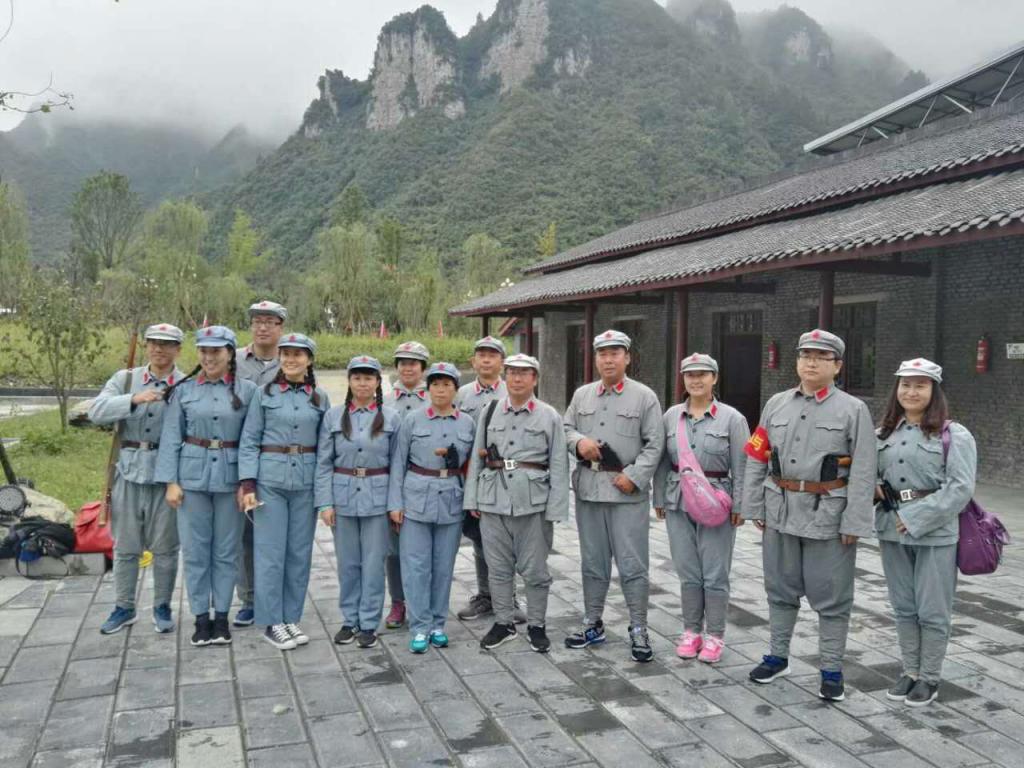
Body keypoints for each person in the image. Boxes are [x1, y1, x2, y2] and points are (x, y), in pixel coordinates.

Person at [742, 329, 876, 702]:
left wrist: (855, 520)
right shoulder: (776, 404)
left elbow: (865, 469)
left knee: (831, 597)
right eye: (805, 356)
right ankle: (777, 656)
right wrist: (753, 505)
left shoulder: (853, 410)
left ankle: (831, 670)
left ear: (837, 366)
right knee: (779, 589)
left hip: (827, 516)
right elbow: (756, 455)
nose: (811, 363)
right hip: (780, 509)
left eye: (821, 357)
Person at [876, 358, 976, 707]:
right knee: (903, 606)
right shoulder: (883, 434)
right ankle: (910, 671)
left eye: (920, 385)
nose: (911, 392)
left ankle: (929, 677)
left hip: (935, 532)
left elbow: (960, 488)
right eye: (905, 385)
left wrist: (916, 517)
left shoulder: (954, 435)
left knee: (933, 609)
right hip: (891, 529)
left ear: (934, 391)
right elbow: (869, 475)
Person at [563, 330, 665, 662]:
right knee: (593, 564)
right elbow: (565, 428)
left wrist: (635, 477)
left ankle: (639, 628)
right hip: (590, 491)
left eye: (615, 353)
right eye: (602, 354)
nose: (608, 360)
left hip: (626, 494)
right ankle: (592, 622)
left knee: (633, 565)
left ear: (627, 357)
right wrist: (578, 442)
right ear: (595, 358)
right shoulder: (582, 396)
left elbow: (655, 444)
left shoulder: (644, 397)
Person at [156, 326, 257, 647]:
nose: (209, 357)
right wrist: (171, 482)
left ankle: (222, 616)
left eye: (216, 351)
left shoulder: (248, 391)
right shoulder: (183, 391)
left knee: (227, 551)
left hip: (230, 480)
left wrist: (246, 483)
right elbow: (171, 437)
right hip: (191, 480)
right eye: (204, 350)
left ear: (230, 353)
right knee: (195, 551)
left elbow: (251, 440)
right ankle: (201, 618)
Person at [463, 354, 570, 653]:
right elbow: (477, 457)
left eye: (524, 373)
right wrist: (472, 498)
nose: (517, 378)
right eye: (512, 372)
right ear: (506, 376)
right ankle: (504, 623)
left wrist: (556, 508)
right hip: (492, 499)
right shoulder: (490, 410)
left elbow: (559, 463)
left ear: (535, 379)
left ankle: (536, 625)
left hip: (532, 503)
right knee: (497, 568)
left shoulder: (548, 415)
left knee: (535, 570)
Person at [89, 323, 185, 635]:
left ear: (178, 350)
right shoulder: (126, 379)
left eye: (167, 344)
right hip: (128, 473)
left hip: (166, 476)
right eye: (154, 343)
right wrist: (133, 399)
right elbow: (96, 411)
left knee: (166, 548)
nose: (159, 349)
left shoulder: (185, 384)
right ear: (146, 346)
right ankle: (124, 607)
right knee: (126, 547)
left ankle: (162, 606)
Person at [653, 353, 749, 664]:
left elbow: (742, 466)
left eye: (702, 374)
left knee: (715, 574)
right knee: (688, 572)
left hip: (717, 503)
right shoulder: (671, 417)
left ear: (714, 378)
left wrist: (742, 504)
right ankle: (692, 631)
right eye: (690, 375)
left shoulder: (732, 419)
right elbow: (662, 462)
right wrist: (659, 498)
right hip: (678, 500)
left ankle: (715, 635)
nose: (695, 380)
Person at [238, 333, 329, 651]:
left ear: (309, 360)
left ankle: (290, 617)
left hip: (305, 484)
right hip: (270, 483)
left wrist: (324, 493)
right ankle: (271, 621)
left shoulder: (319, 398)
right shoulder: (263, 394)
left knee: (299, 554)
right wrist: (248, 484)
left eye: (297, 354)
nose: (291, 359)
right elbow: (250, 440)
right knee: (270, 554)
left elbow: (325, 449)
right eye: (286, 354)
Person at [388, 362, 476, 653]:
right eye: (435, 384)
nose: (440, 390)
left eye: (447, 384)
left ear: (455, 389)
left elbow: (472, 466)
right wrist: (395, 503)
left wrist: (472, 500)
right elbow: (398, 463)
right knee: (415, 567)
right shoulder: (412, 420)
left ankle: (438, 624)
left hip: (451, 499)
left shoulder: (467, 423)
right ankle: (419, 626)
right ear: (428, 389)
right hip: (415, 499)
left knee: (443, 566)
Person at [316, 356, 399, 649]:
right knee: (348, 564)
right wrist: (325, 503)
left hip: (378, 498)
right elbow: (323, 462)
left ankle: (368, 622)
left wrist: (395, 504)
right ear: (349, 381)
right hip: (343, 497)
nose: (363, 383)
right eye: (357, 378)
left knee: (374, 564)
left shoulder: (391, 418)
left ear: (377, 382)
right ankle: (349, 619)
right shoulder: (333, 417)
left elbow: (397, 465)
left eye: (368, 378)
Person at [234, 299, 288, 628]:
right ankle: (250, 598)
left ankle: (277, 595)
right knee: (244, 533)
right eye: (257, 321)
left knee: (275, 533)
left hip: (275, 459)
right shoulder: (234, 361)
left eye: (270, 321)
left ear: (281, 327)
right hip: (237, 454)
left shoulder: (292, 360)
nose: (262, 327)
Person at [453, 336, 512, 623]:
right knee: (479, 537)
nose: (486, 360)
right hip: (471, 476)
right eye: (481, 355)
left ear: (502, 362)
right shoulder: (461, 395)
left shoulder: (513, 391)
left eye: (493, 355)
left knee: (507, 540)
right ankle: (486, 596)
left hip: (505, 477)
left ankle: (509, 597)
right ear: (473, 361)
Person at [381, 340, 430, 630]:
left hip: (424, 482)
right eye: (402, 362)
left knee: (424, 550)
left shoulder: (435, 398)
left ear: (423, 368)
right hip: (390, 481)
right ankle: (398, 602)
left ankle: (423, 601)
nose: (407, 368)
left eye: (413, 363)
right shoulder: (384, 401)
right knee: (394, 549)